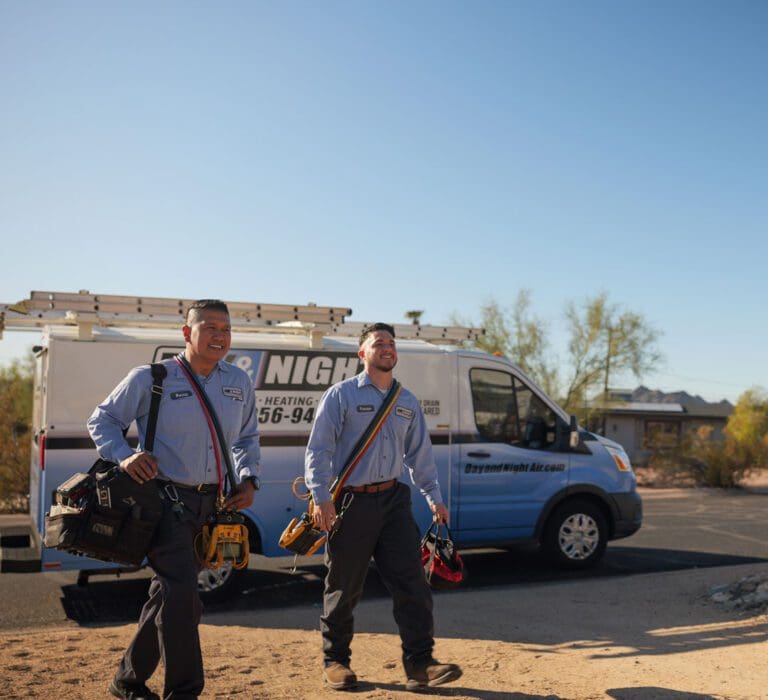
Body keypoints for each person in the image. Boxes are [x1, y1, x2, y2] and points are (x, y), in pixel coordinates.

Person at [87, 299, 260, 700]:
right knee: (184, 599)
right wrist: (125, 455)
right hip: (164, 505)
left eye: (226, 329)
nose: (220, 335)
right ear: (186, 333)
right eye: (210, 327)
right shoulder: (152, 378)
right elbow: (103, 419)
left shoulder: (238, 382)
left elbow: (248, 438)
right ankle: (184, 693)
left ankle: (126, 681)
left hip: (214, 508)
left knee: (168, 594)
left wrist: (249, 479)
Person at [305, 322, 462, 691]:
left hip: (394, 500)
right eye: (379, 343)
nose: (387, 348)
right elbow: (319, 450)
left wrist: (433, 497)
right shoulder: (340, 395)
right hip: (350, 503)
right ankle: (336, 662)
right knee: (343, 587)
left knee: (413, 584)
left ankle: (420, 664)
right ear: (362, 353)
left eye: (391, 343)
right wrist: (320, 497)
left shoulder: (406, 400)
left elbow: (419, 455)